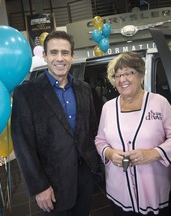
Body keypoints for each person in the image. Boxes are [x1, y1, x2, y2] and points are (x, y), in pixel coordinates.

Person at [11, 31, 101, 216]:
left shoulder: (84, 89)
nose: (60, 58)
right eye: (53, 52)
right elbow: (23, 145)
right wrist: (39, 186)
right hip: (51, 185)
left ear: (72, 56)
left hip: (84, 178)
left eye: (65, 52)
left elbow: (92, 131)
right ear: (45, 56)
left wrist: (95, 167)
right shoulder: (27, 93)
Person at [95, 52, 171, 216]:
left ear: (140, 75)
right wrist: (110, 153)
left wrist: (154, 153)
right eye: (117, 75)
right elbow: (100, 140)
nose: (122, 79)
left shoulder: (159, 103)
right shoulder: (108, 108)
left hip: (154, 189)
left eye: (128, 73)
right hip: (119, 191)